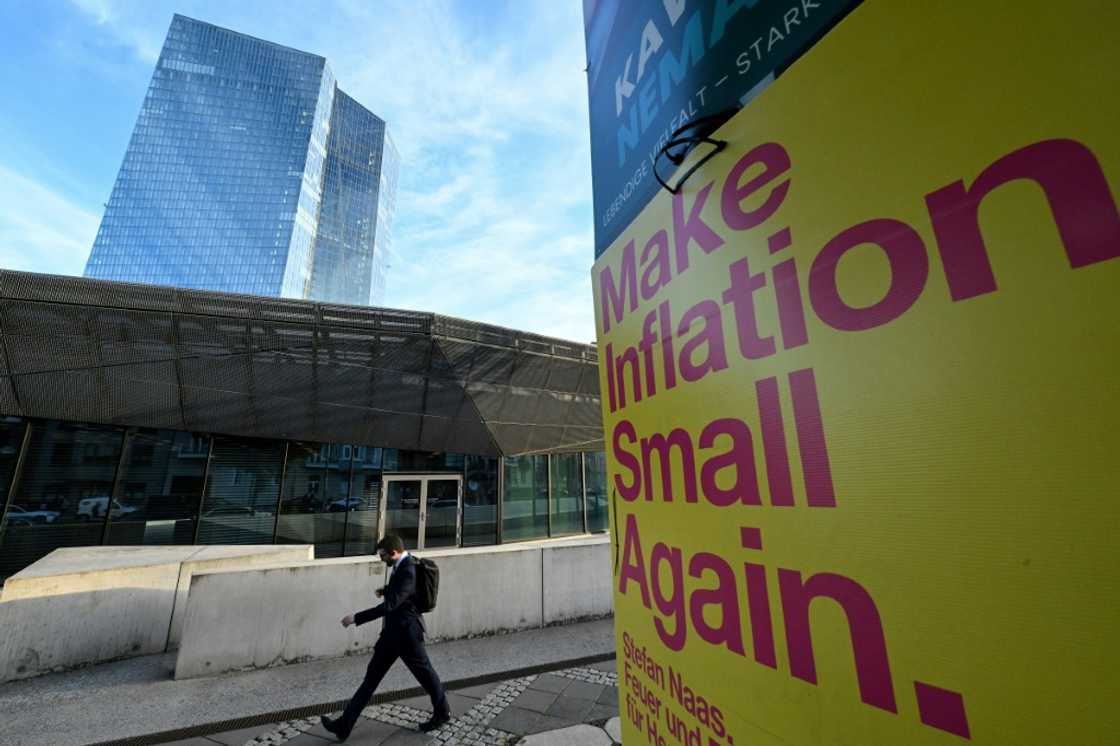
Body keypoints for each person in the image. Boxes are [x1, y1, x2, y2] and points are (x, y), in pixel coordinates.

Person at [320, 534, 450, 741]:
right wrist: (386, 590)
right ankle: (344, 726)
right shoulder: (402, 564)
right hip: (392, 634)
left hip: (407, 634)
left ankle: (442, 712)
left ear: (394, 553)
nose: (380, 559)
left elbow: (392, 605)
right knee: (371, 678)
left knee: (425, 674)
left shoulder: (408, 569)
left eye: (382, 555)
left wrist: (356, 617)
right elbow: (402, 592)